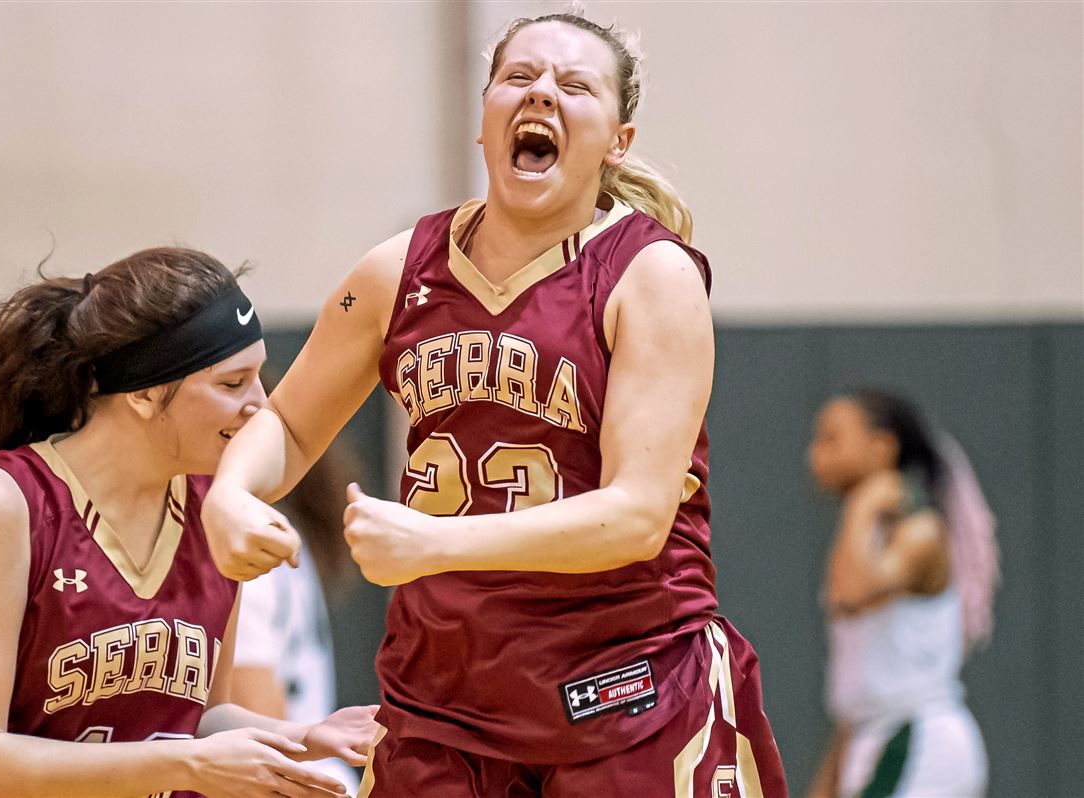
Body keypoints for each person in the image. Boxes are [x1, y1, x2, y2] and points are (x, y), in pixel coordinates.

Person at [203, 12, 787, 797]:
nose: (541, 93)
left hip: (625, 693)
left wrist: (437, 545)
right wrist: (229, 495)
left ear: (618, 139)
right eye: (519, 77)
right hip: (444, 703)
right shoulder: (395, 271)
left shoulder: (651, 277)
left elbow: (638, 515)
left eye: (574, 86)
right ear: (485, 119)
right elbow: (287, 422)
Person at [0, 247, 377, 798]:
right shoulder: (1, 506)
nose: (261, 406)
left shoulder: (215, 508)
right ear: (146, 393)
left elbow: (202, 717)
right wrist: (187, 765)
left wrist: (304, 736)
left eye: (259, 378)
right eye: (232, 383)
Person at [806, 390, 999, 798]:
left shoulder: (921, 532)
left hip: (917, 741)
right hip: (876, 742)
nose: (816, 454)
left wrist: (867, 498)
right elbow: (857, 695)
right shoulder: (866, 536)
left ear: (882, 448)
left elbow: (851, 591)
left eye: (832, 438)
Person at [232, 445, 363, 795]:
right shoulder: (281, 531)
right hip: (322, 776)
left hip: (300, 783)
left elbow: (265, 743)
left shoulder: (249, 551)